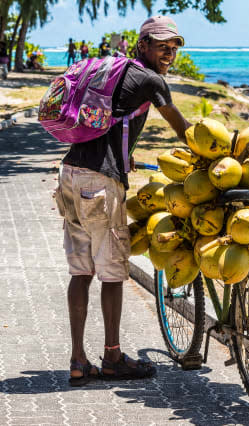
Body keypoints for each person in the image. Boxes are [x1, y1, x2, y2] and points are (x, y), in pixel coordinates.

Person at [57, 15, 188, 386]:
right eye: (162, 46)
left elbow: (113, 120)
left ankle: (78, 360)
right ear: (143, 44)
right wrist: (214, 154)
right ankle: (113, 357)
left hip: (71, 173)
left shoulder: (117, 70)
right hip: (100, 182)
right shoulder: (150, 79)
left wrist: (124, 152)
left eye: (174, 47)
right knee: (113, 272)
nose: (169, 53)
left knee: (81, 271)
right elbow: (180, 126)